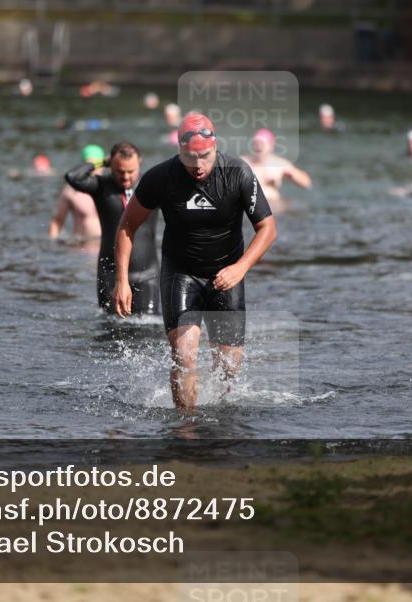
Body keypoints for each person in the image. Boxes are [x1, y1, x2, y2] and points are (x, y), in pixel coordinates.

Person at [113, 113, 277, 411]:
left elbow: (268, 228)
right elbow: (126, 227)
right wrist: (122, 280)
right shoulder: (161, 177)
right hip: (181, 274)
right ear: (179, 151)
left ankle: (220, 423)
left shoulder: (238, 173)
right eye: (190, 158)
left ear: (215, 149)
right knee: (184, 357)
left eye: (205, 156)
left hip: (228, 274)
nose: (198, 165)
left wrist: (240, 268)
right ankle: (184, 431)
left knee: (229, 367)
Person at [65, 142, 160, 314]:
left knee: (148, 327)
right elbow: (73, 177)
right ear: (111, 166)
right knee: (111, 328)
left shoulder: (151, 185)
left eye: (131, 171)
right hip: (110, 274)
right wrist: (101, 162)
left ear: (139, 162)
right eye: (120, 171)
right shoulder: (102, 186)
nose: (126, 177)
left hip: (147, 275)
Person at [241, 128, 312, 205]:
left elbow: (307, 183)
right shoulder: (243, 163)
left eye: (262, 144)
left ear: (271, 146)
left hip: (273, 205)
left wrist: (293, 176)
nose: (259, 146)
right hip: (248, 205)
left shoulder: (279, 165)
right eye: (256, 143)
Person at [49, 145, 103, 243]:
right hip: (80, 247)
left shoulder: (112, 187)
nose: (93, 169)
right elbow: (58, 221)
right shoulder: (71, 191)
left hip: (103, 246)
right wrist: (52, 244)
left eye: (97, 164)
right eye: (89, 165)